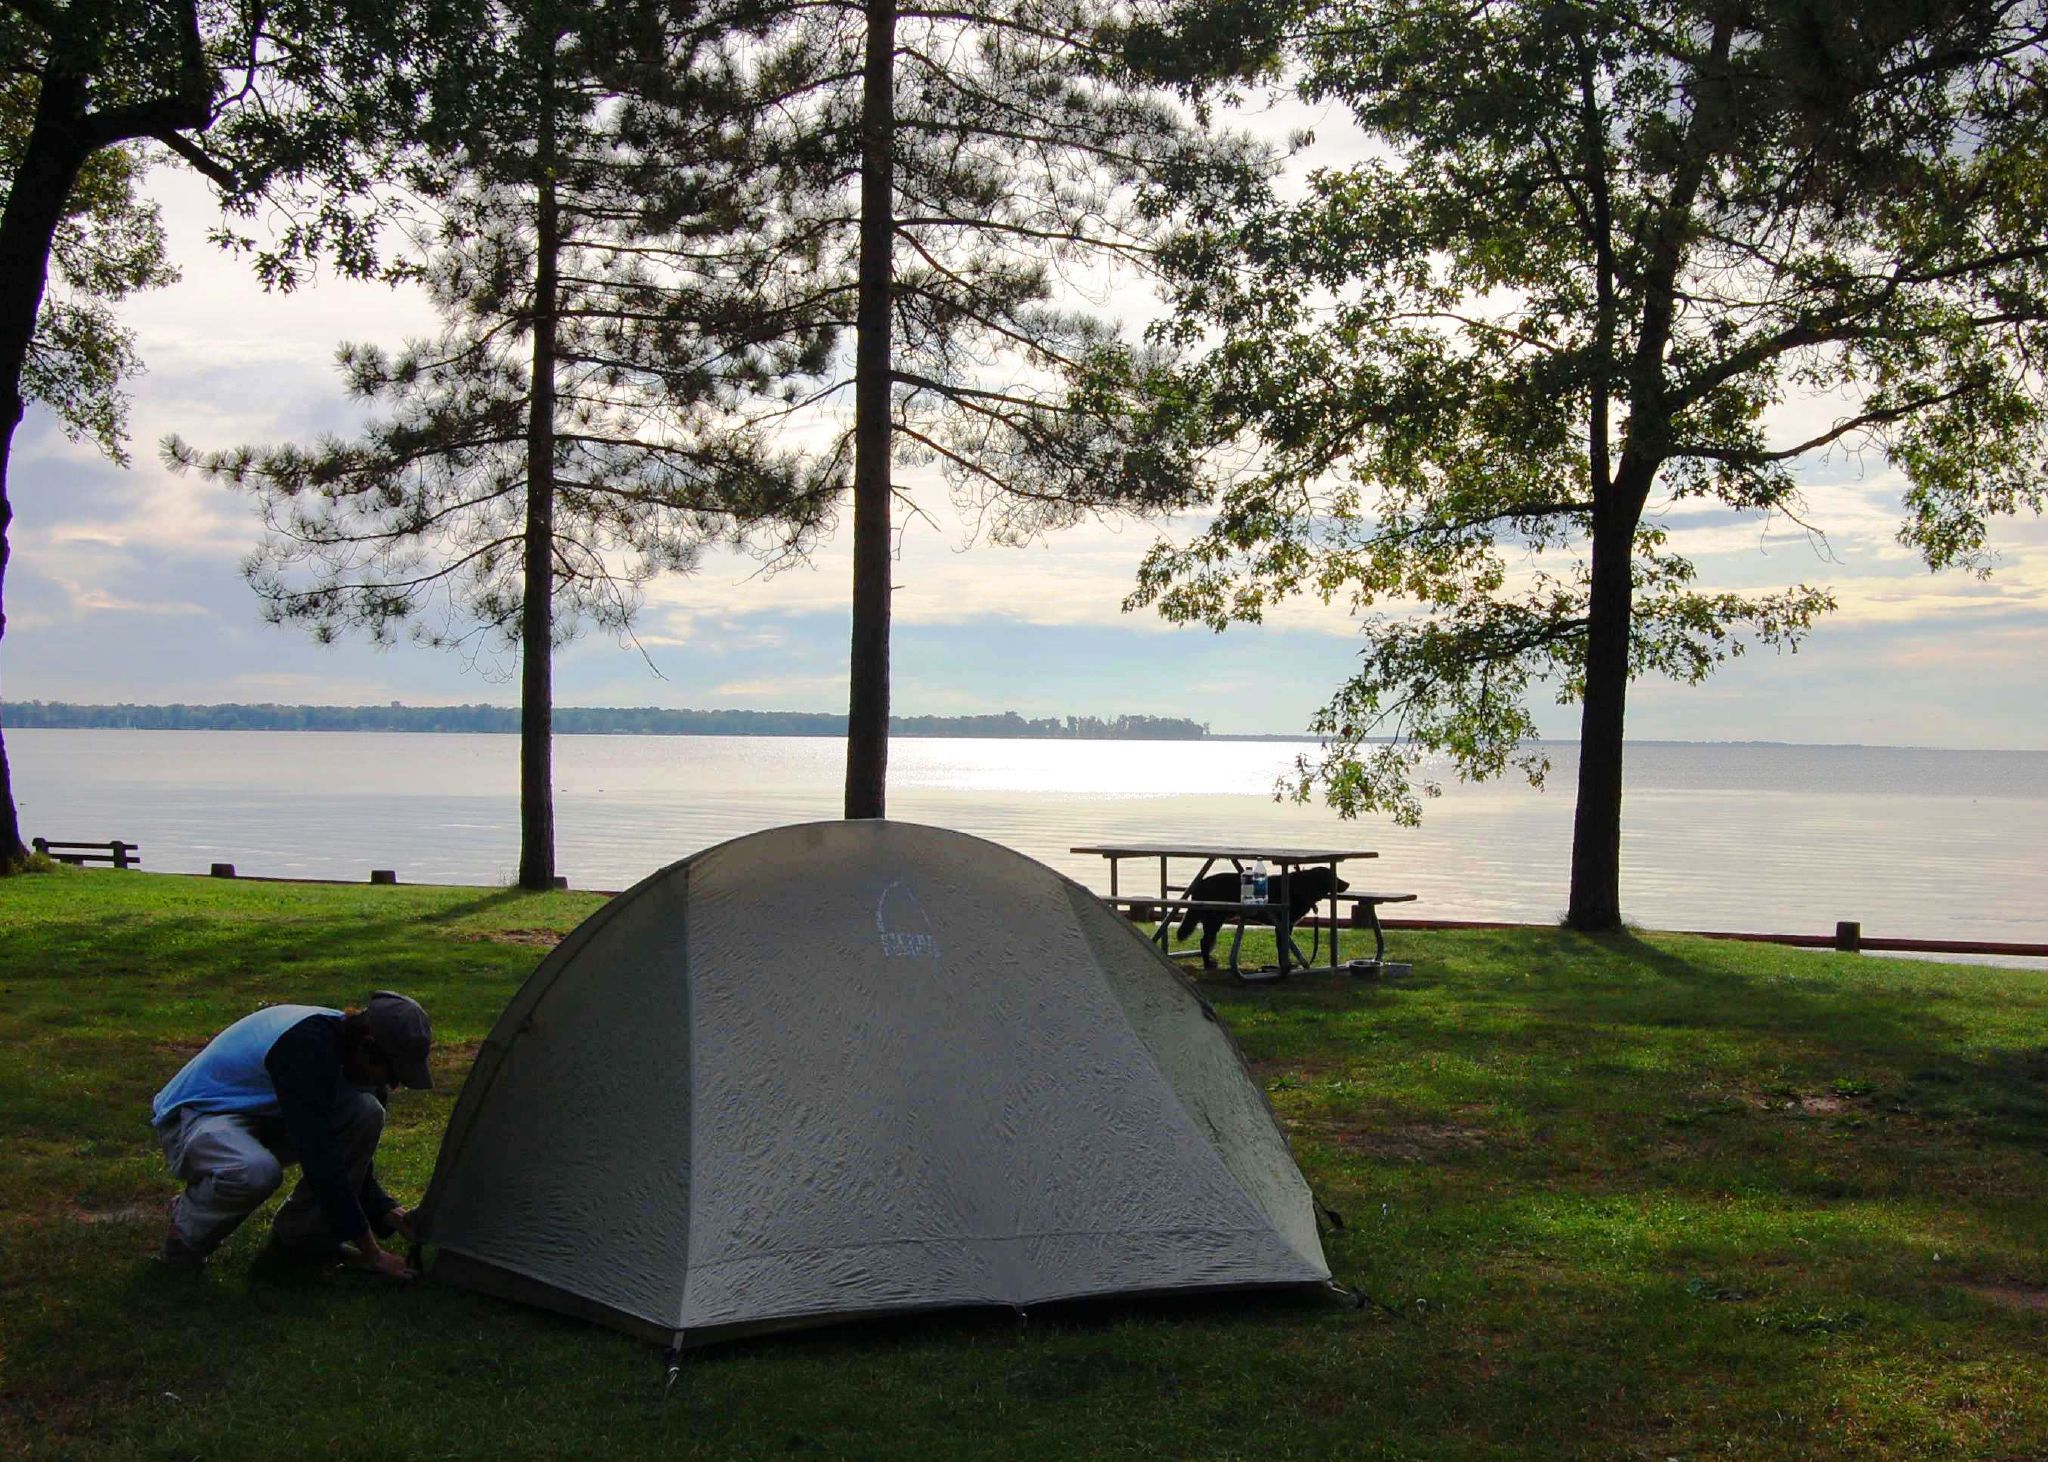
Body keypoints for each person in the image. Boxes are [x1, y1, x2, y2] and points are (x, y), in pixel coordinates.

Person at [151, 991, 434, 1278]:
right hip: (198, 1116)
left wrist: (387, 1211)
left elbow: (347, 1163)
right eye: (392, 1074)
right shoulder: (307, 1047)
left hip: (264, 1118)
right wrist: (374, 1255)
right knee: (254, 1171)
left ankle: (298, 1246)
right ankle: (184, 1237)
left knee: (366, 1111)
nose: (393, 1085)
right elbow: (320, 1157)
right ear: (367, 1047)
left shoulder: (353, 1058)